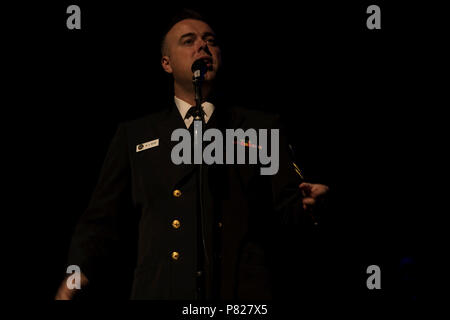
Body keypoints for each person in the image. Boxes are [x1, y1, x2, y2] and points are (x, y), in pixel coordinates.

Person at [55, 9, 329, 300]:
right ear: (166, 63)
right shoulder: (135, 134)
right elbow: (102, 217)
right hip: (161, 289)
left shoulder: (260, 127)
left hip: (241, 293)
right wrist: (78, 272)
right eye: (188, 41)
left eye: (210, 40)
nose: (202, 46)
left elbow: (288, 211)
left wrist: (313, 207)